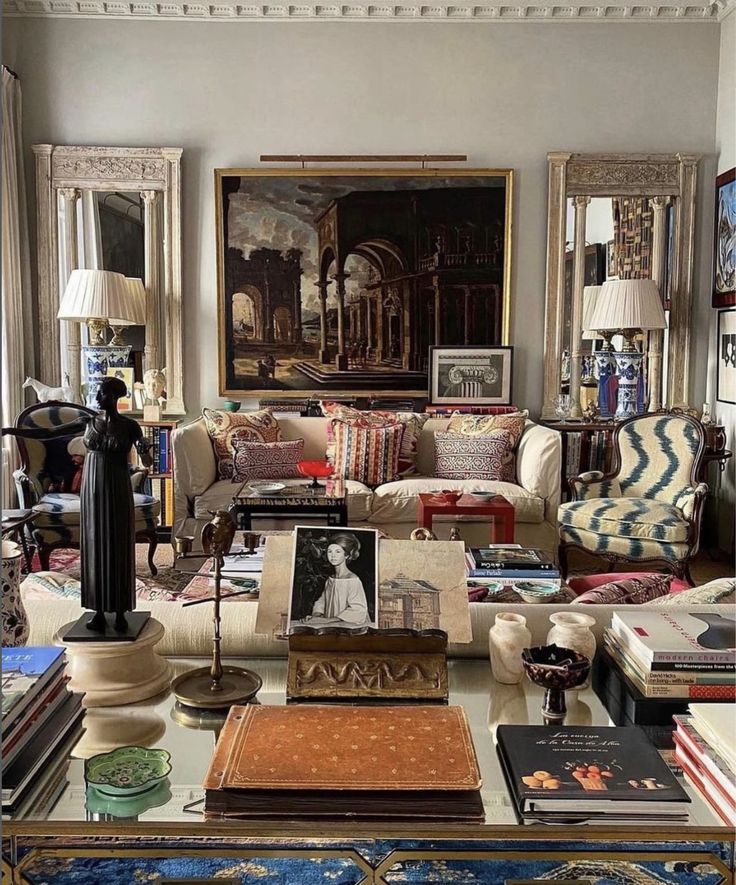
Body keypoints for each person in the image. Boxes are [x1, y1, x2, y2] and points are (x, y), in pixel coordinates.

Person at [2, 377, 152, 633]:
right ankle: (97, 612)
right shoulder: (87, 422)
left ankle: (120, 612)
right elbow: (48, 434)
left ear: (114, 397)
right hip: (92, 487)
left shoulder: (130, 426)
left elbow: (147, 460)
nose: (97, 398)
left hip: (116, 486)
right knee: (94, 547)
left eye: (102, 393)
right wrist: (10, 431)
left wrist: (146, 449)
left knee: (118, 546)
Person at [308, 532, 371, 628]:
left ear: (346, 555)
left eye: (338, 552)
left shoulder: (353, 580)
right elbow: (322, 601)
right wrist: (317, 615)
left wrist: (328, 621)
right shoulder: (331, 579)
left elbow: (358, 610)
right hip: (329, 624)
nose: (333, 556)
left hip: (349, 626)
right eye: (330, 551)